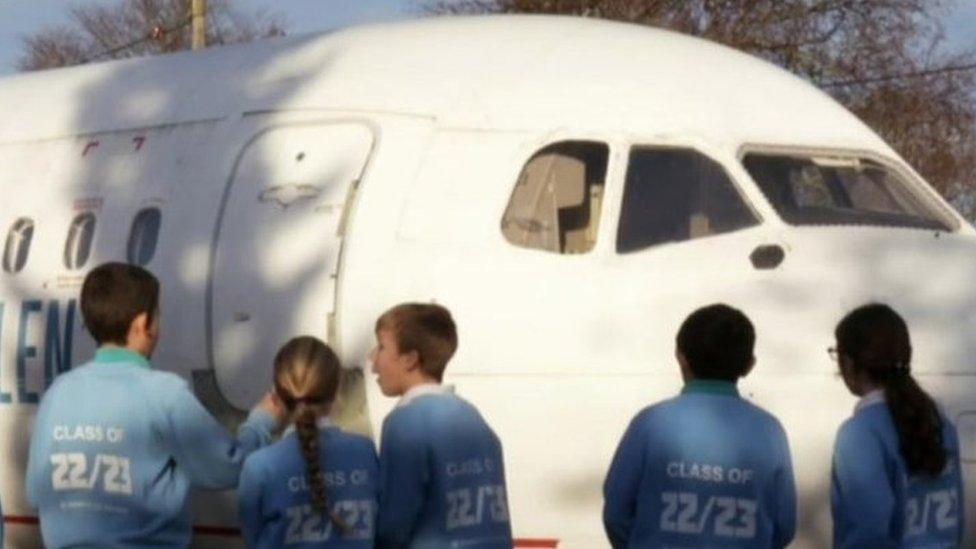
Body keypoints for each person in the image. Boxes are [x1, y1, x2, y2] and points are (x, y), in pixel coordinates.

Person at [26, 262, 284, 548]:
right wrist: (262, 421)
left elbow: (37, 493)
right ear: (142, 324)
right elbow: (227, 467)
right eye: (158, 317)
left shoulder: (58, 393)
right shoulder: (164, 394)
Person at [603, 303, 796, 548]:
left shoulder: (649, 424)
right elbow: (783, 525)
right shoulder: (770, 430)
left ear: (680, 356)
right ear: (749, 365)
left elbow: (616, 513)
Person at [371, 303, 512, 548]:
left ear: (410, 359)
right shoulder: (474, 418)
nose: (372, 359)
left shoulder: (404, 423)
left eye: (381, 347)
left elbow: (393, 525)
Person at [830, 303, 964, 547]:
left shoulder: (859, 434)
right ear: (908, 355)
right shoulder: (941, 424)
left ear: (848, 364)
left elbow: (868, 534)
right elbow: (956, 523)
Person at [238, 336, 379, 547]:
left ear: (276, 393)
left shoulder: (259, 466)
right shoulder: (365, 452)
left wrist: (255, 426)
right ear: (337, 389)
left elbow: (253, 537)